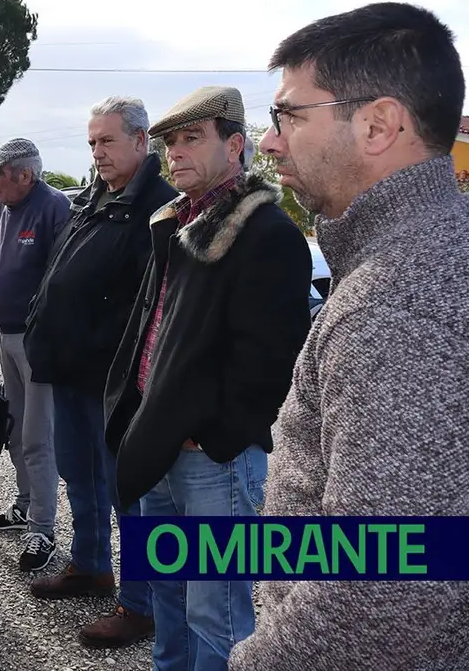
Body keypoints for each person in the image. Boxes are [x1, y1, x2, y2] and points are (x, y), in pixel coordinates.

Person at [230, 2, 469, 671]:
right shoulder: (448, 245)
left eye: (290, 115)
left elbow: (382, 586)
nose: (271, 140)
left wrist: (253, 662)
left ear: (378, 124)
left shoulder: (397, 304)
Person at [102, 85, 312, 671]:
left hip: (211, 458)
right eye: (170, 142)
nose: (177, 153)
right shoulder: (175, 224)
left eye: (193, 138)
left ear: (237, 145)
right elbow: (152, 329)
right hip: (158, 443)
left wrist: (213, 434)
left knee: (216, 613)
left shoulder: (266, 233)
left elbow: (274, 361)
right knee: (169, 599)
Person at [23, 96, 177, 647]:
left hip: (115, 382)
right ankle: (90, 564)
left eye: (107, 141)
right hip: (70, 372)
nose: (97, 153)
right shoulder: (94, 198)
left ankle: (141, 604)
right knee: (77, 475)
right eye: (91, 143)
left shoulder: (160, 207)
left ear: (141, 141)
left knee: (127, 492)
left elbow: (152, 304)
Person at [0, 138, 72, 573]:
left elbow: (62, 283)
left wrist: (45, 340)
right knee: (15, 430)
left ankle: (43, 529)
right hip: (10, 336)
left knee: (38, 437)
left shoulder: (54, 208)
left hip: (39, 342)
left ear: (24, 175)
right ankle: (23, 505)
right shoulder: (2, 208)